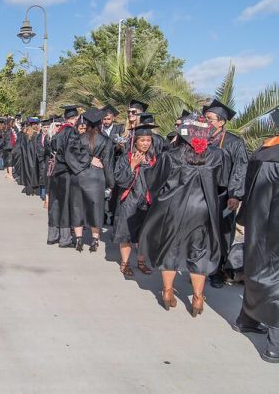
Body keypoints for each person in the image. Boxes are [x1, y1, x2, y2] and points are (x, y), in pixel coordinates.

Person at [139, 115, 228, 316]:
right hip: (203, 210)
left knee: (170, 249)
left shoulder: (171, 155)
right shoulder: (217, 155)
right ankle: (197, 298)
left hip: (173, 209)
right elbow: (222, 184)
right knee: (200, 251)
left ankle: (168, 292)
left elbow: (154, 182)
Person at [233, 114, 279, 363]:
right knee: (275, 274)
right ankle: (275, 344)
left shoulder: (263, 152)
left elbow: (249, 191)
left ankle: (246, 319)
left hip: (257, 223)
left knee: (256, 266)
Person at [203, 99, 248, 289]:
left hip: (223, 196)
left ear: (221, 122)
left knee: (222, 234)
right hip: (202, 194)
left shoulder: (234, 142)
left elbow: (240, 169)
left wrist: (235, 195)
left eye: (210, 119)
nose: (206, 122)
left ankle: (218, 271)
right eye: (205, 118)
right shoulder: (200, 140)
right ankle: (202, 267)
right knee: (203, 232)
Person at [111, 114, 157, 276]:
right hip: (129, 200)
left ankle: (141, 262)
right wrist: (132, 165)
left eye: (148, 140)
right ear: (135, 141)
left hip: (147, 201)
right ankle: (125, 264)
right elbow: (120, 180)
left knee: (143, 235)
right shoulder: (126, 158)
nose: (145, 143)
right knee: (126, 233)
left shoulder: (154, 159)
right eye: (142, 140)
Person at [47, 105, 91, 248]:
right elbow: (72, 153)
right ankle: (65, 239)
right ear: (75, 119)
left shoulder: (57, 132)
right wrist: (88, 159)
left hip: (55, 173)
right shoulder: (70, 132)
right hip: (66, 172)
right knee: (65, 205)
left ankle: (53, 235)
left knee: (55, 204)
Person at [71, 108, 114, 253]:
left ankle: (78, 239)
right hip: (97, 177)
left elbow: (72, 157)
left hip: (79, 176)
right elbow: (108, 164)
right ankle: (95, 240)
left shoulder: (79, 138)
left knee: (78, 207)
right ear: (101, 122)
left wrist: (87, 161)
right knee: (96, 208)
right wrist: (111, 183)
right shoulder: (106, 141)